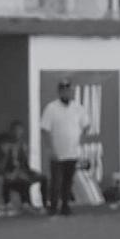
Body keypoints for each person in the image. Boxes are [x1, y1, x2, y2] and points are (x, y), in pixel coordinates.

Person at [39, 78, 90, 217]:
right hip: (58, 152)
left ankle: (65, 206)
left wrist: (80, 141)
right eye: (63, 90)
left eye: (68, 90)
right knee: (56, 181)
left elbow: (86, 125)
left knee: (68, 181)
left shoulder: (78, 108)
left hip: (72, 152)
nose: (66, 92)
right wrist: (50, 149)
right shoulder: (51, 108)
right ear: (59, 92)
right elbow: (45, 130)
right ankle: (53, 206)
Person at [0, 120, 48, 214]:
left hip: (22, 171)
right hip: (10, 172)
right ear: (11, 131)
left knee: (43, 178)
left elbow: (24, 163)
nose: (18, 133)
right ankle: (26, 203)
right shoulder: (6, 144)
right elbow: (3, 165)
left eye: (20, 130)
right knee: (23, 179)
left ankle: (44, 205)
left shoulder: (22, 144)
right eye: (16, 130)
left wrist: (25, 154)